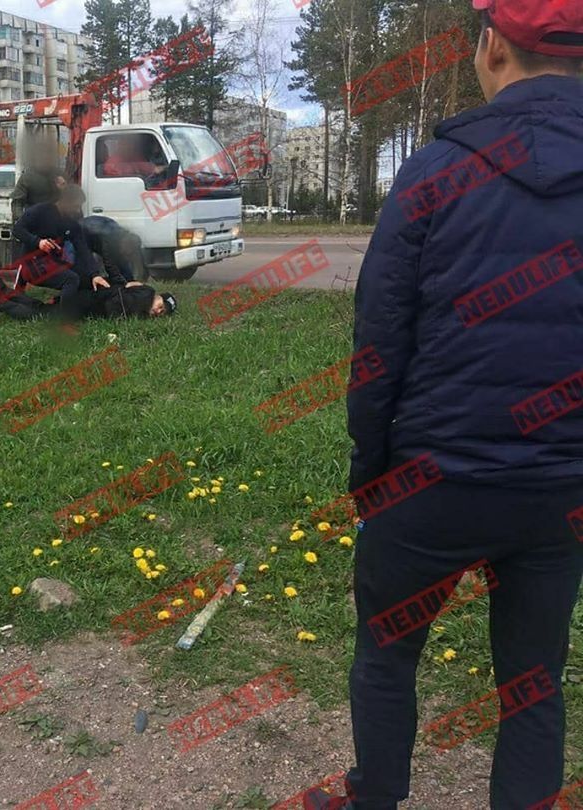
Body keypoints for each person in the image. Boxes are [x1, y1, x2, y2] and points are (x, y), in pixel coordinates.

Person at [308, 3, 583, 809]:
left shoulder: (434, 173)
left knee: (387, 654)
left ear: (492, 47)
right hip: (560, 490)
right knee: (534, 682)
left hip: (430, 480)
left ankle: (374, 796)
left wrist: (371, 474)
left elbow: (379, 343)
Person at [11, 184, 110, 313]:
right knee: (71, 279)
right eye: (75, 206)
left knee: (83, 278)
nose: (77, 210)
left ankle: (64, 303)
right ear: (65, 201)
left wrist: (94, 274)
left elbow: (82, 249)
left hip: (52, 262)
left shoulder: (72, 223)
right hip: (31, 262)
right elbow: (17, 230)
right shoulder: (40, 211)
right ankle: (64, 318)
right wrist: (38, 242)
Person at [0, 278, 176, 322]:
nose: (159, 311)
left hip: (85, 297)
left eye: (162, 313)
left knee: (42, 308)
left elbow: (129, 284)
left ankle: (3, 291)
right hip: (85, 306)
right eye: (161, 306)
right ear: (158, 296)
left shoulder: (144, 290)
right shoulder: (145, 297)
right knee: (41, 315)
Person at [11, 136, 67, 221]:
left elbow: (72, 200)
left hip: (56, 220)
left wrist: (64, 189)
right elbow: (17, 203)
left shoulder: (59, 174)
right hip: (34, 220)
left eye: (48, 155)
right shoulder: (27, 177)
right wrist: (23, 220)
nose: (45, 158)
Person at [81, 215, 141, 284]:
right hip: (84, 231)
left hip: (95, 227)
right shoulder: (109, 240)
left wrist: (130, 281)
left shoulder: (121, 237)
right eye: (127, 252)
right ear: (125, 244)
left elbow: (123, 263)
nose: (126, 254)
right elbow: (109, 264)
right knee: (87, 264)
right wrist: (121, 283)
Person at [100, 134, 167, 183]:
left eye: (131, 144)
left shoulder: (135, 157)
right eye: (125, 144)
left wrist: (166, 167)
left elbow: (152, 169)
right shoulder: (112, 163)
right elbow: (118, 182)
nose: (130, 147)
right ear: (120, 145)